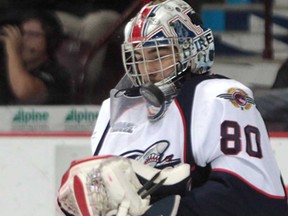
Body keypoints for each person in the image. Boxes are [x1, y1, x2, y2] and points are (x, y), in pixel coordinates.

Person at [57, 0, 288, 215]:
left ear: (193, 51)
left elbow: (255, 194)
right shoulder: (113, 111)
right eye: (138, 57)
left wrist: (165, 210)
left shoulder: (219, 98)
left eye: (160, 54)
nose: (147, 69)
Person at [0, 9, 72, 104]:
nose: (22, 40)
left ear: (50, 40)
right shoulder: (6, 68)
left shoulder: (57, 75)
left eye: (32, 35)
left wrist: (12, 50)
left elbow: (23, 91)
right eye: (22, 33)